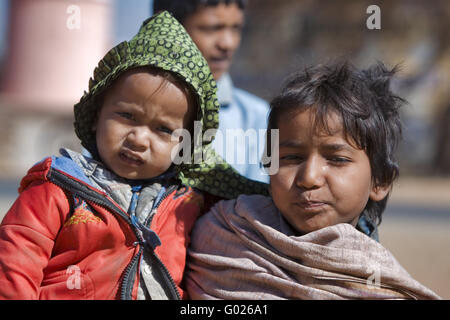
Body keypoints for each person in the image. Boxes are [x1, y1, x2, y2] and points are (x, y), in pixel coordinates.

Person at [0, 11, 267, 300]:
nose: (139, 139)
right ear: (95, 115)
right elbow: (15, 264)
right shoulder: (58, 188)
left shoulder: (192, 202)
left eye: (163, 129)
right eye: (127, 116)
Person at [186, 61, 441, 299]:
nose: (309, 178)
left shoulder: (378, 281)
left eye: (337, 159)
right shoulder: (226, 231)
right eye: (291, 157)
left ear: (380, 181)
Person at [153, 0, 270, 183]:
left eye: (236, 28)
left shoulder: (257, 117)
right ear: (163, 25)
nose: (228, 44)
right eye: (211, 28)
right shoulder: (124, 105)